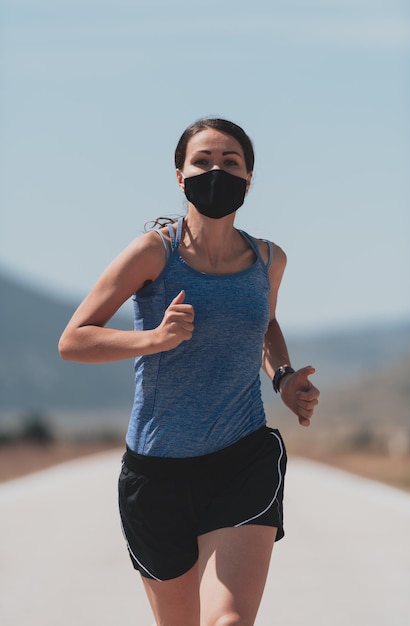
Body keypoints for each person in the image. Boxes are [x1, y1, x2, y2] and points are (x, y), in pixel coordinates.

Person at [59, 117, 319, 626]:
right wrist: (154, 339)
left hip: (243, 457)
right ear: (180, 176)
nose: (216, 170)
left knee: (230, 621)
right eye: (202, 161)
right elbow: (75, 339)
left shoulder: (269, 259)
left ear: (249, 179)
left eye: (231, 162)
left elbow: (264, 325)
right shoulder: (155, 252)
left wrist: (284, 378)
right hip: (158, 472)